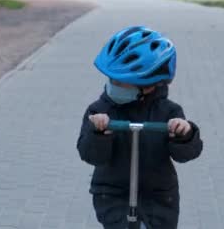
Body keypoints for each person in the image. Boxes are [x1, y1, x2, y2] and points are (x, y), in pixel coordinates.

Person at [77, 25, 203, 229]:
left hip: (158, 199)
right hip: (113, 196)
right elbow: (90, 155)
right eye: (112, 80)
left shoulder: (168, 112)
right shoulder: (99, 110)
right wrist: (99, 133)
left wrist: (184, 134)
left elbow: (185, 154)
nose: (113, 86)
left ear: (148, 84)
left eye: (121, 82)